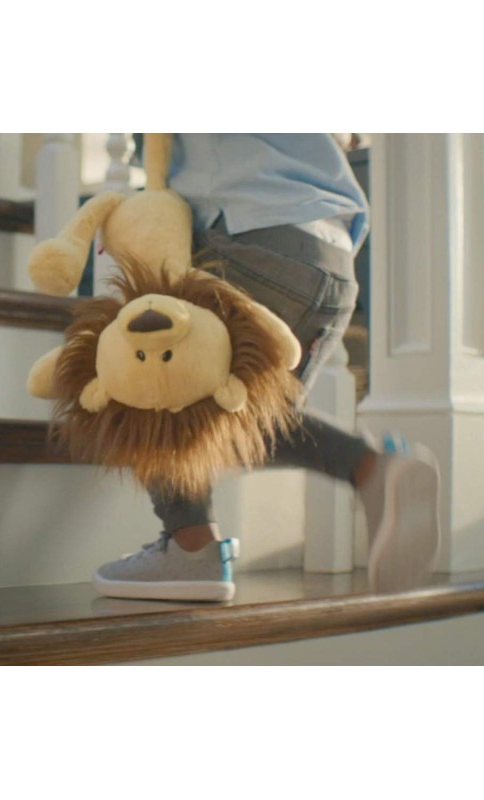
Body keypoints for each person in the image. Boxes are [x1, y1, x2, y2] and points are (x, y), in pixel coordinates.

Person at [92, 133, 441, 602]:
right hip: (331, 258)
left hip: (247, 233)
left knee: (146, 376)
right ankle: (372, 469)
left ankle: (190, 546)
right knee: (247, 421)